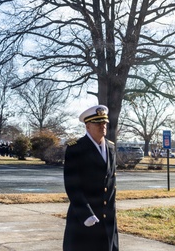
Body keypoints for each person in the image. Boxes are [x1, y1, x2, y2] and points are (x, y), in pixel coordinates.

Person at [63, 105, 119, 251]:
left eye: (104, 123)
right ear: (88, 126)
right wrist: (86, 214)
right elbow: (72, 185)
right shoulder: (76, 148)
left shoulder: (111, 147)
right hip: (84, 218)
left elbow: (111, 183)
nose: (103, 126)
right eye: (98, 123)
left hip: (107, 218)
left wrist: (112, 213)